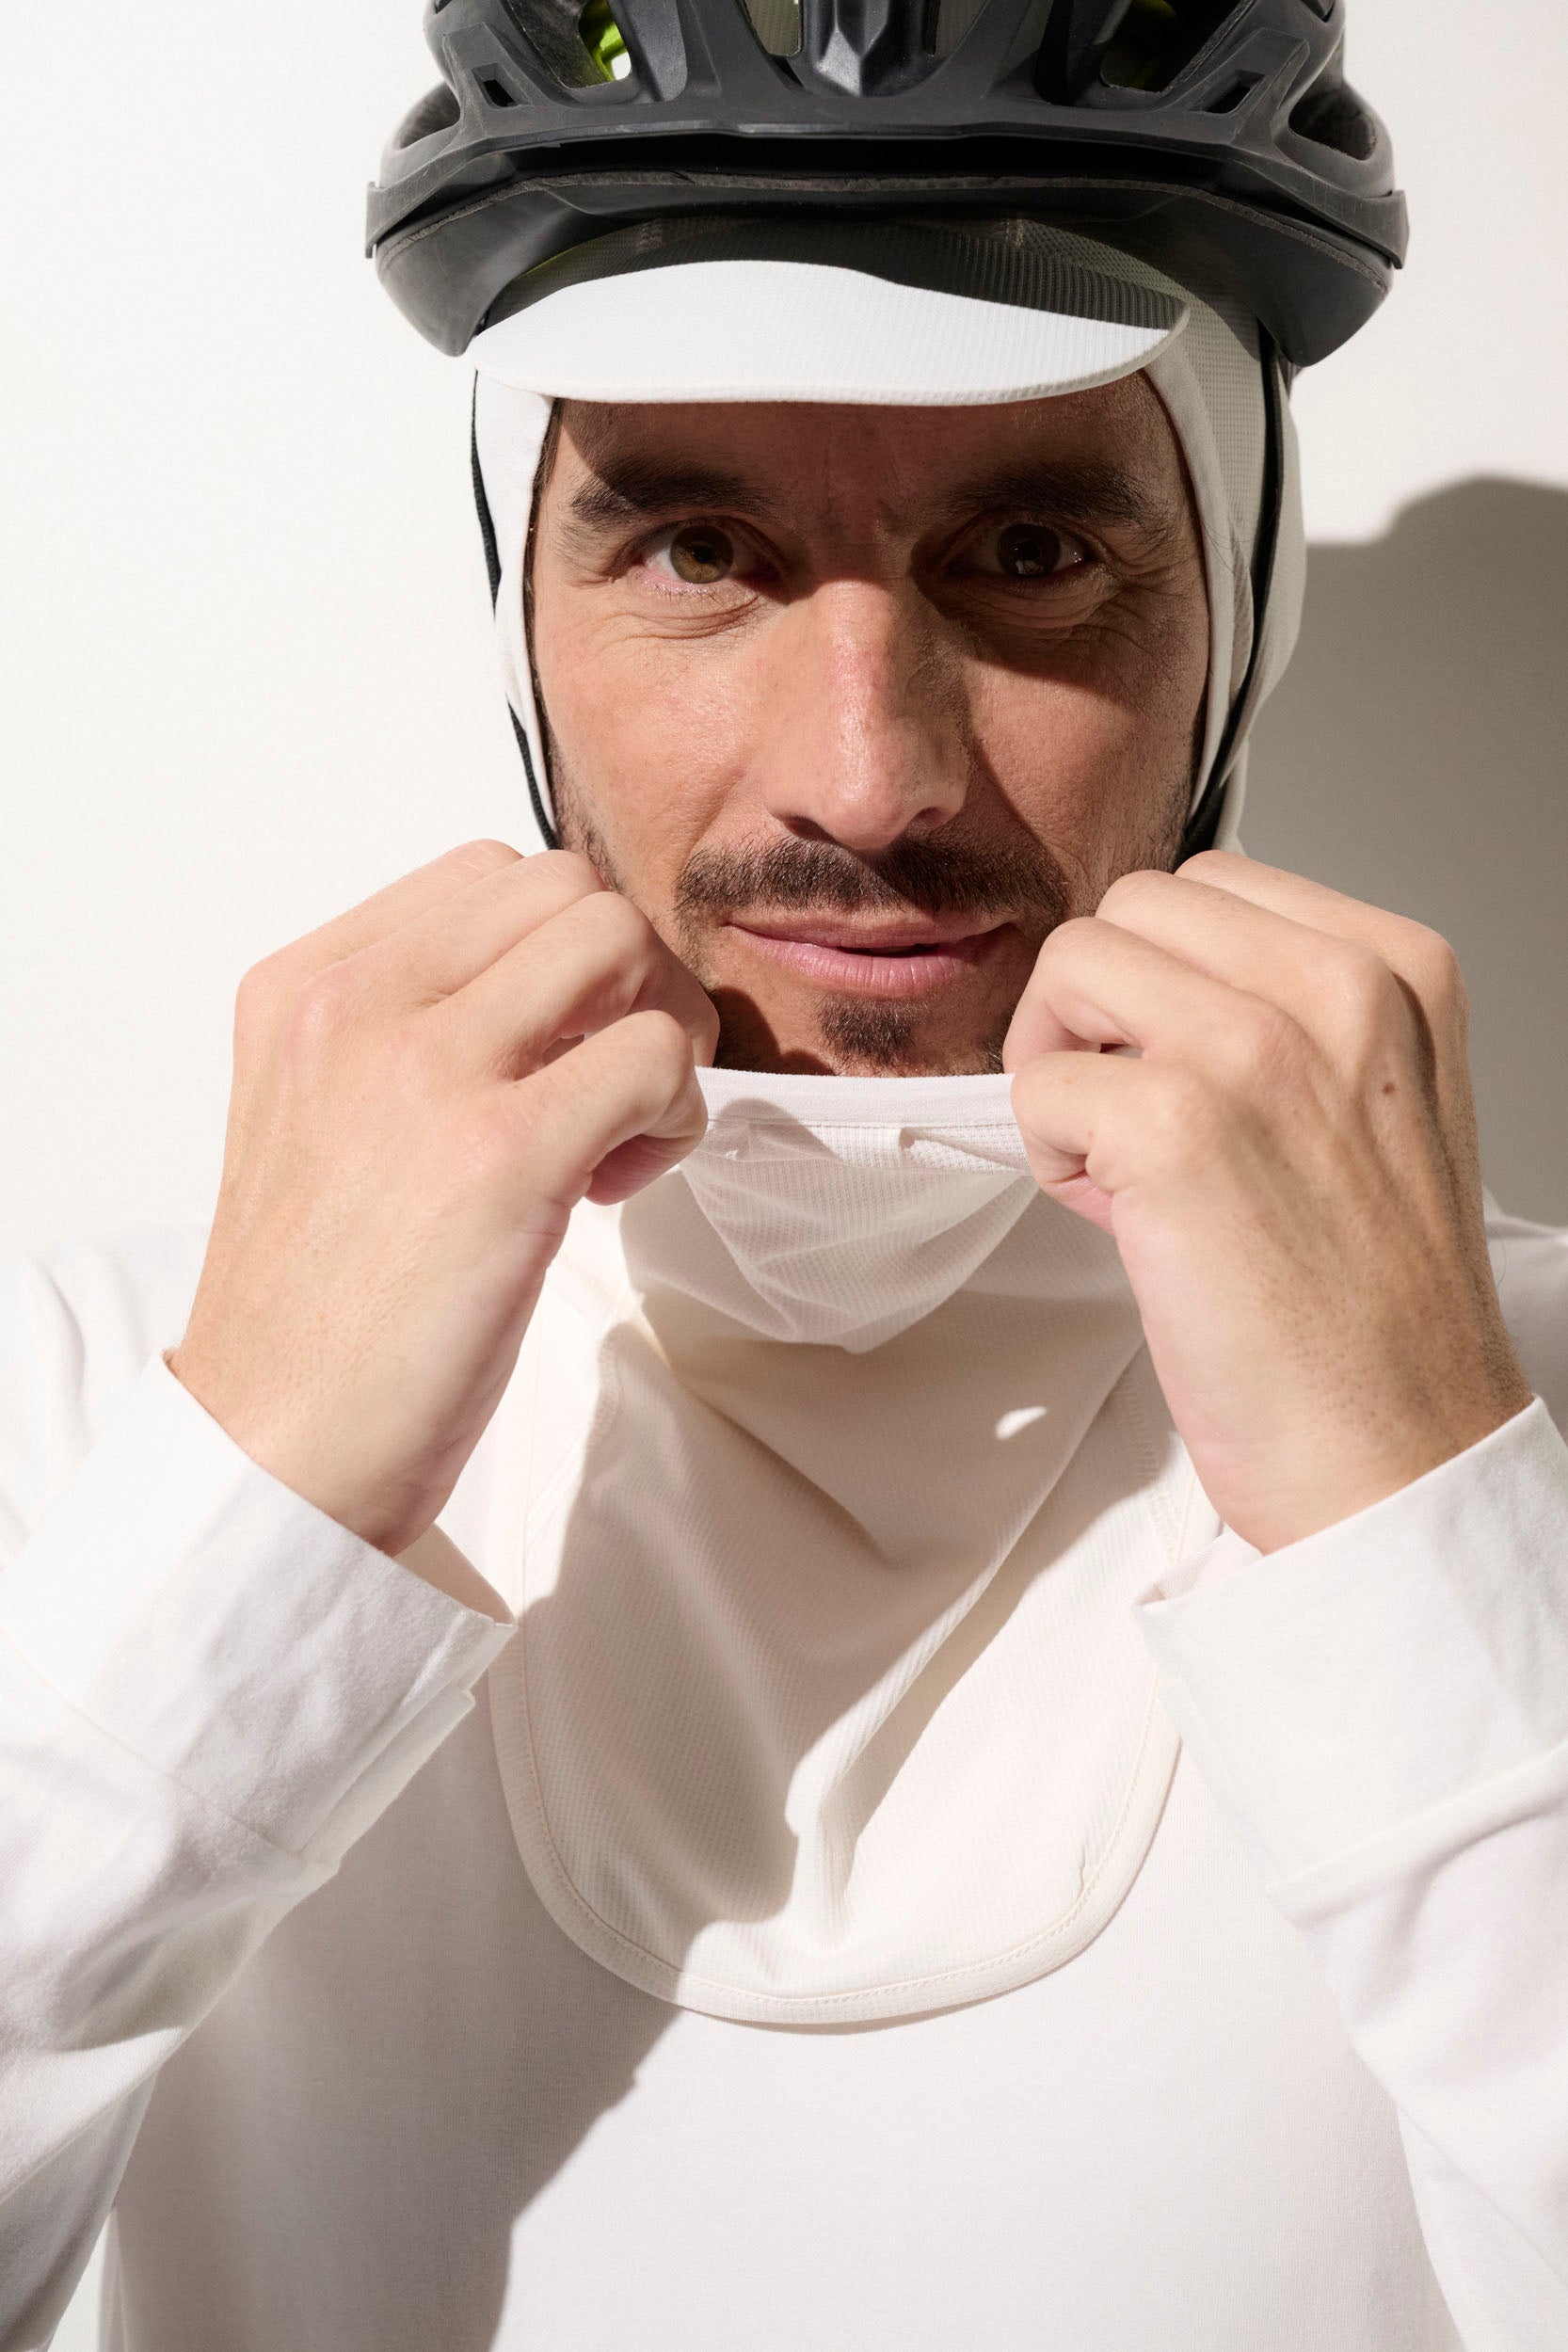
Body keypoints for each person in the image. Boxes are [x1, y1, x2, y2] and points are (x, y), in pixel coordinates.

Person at [3, 2, 1565, 2345]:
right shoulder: (81, 1406)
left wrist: (1421, 1521)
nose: (866, 775)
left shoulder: (1513, 1403)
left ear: (1232, 616)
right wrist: (249, 1499)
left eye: (1030, 549)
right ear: (520, 621)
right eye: (696, 547)